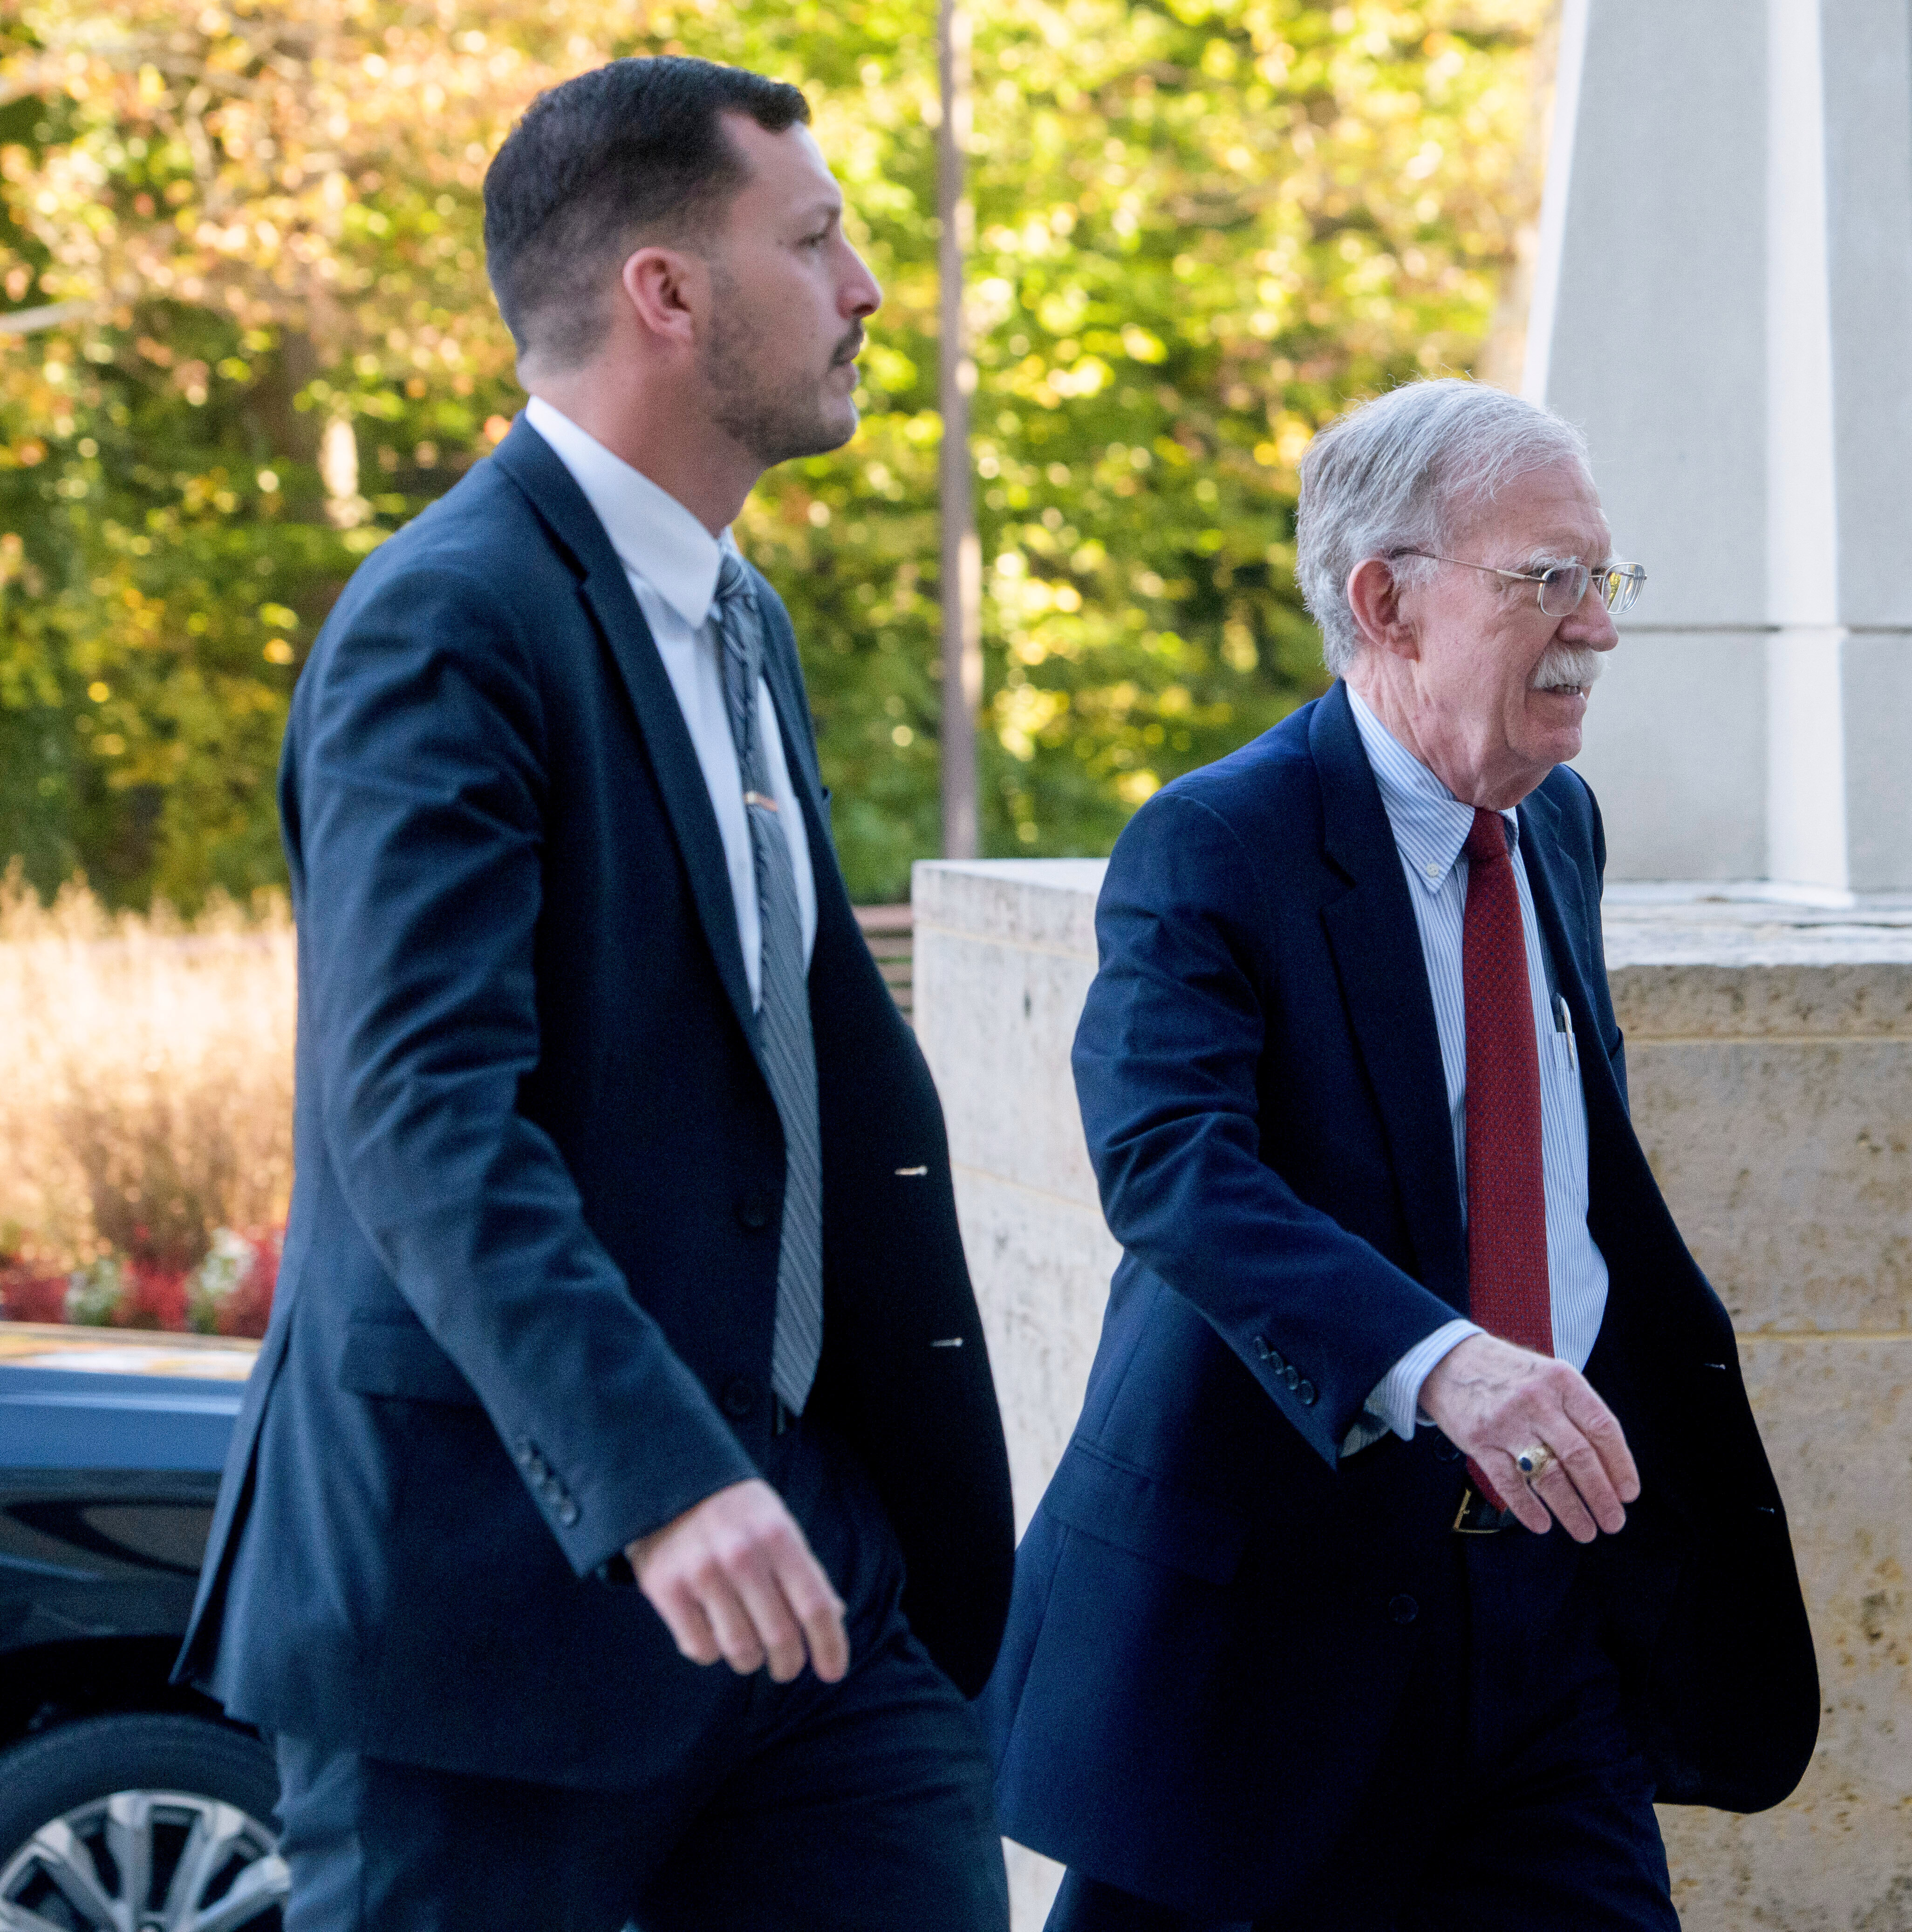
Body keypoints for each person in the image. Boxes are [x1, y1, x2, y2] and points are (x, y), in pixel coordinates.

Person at [172, 56, 1015, 1930]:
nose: (865, 284)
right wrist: (658, 1481)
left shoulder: (742, 619)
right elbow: (419, 1110)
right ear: (667, 292)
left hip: (812, 1587)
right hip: (492, 1614)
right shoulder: (443, 620)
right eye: (813, 238)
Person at [989, 378, 1821, 1930]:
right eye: (1548, 581)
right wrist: (1441, 1360)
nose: (1600, 627)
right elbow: (1169, 1157)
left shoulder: (1555, 824)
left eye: (1605, 578)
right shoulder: (1218, 840)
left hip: (1545, 1610)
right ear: (1387, 601)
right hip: (1276, 1634)